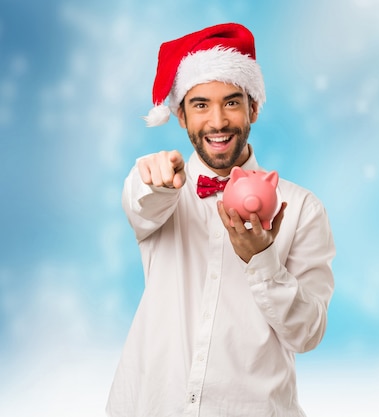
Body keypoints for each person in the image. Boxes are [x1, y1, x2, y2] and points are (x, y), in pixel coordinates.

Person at [106, 23, 335, 417]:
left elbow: (307, 333)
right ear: (180, 116)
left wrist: (262, 261)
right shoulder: (157, 186)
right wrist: (157, 183)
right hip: (151, 405)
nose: (217, 122)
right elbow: (141, 206)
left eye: (231, 102)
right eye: (200, 105)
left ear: (254, 108)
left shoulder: (301, 208)